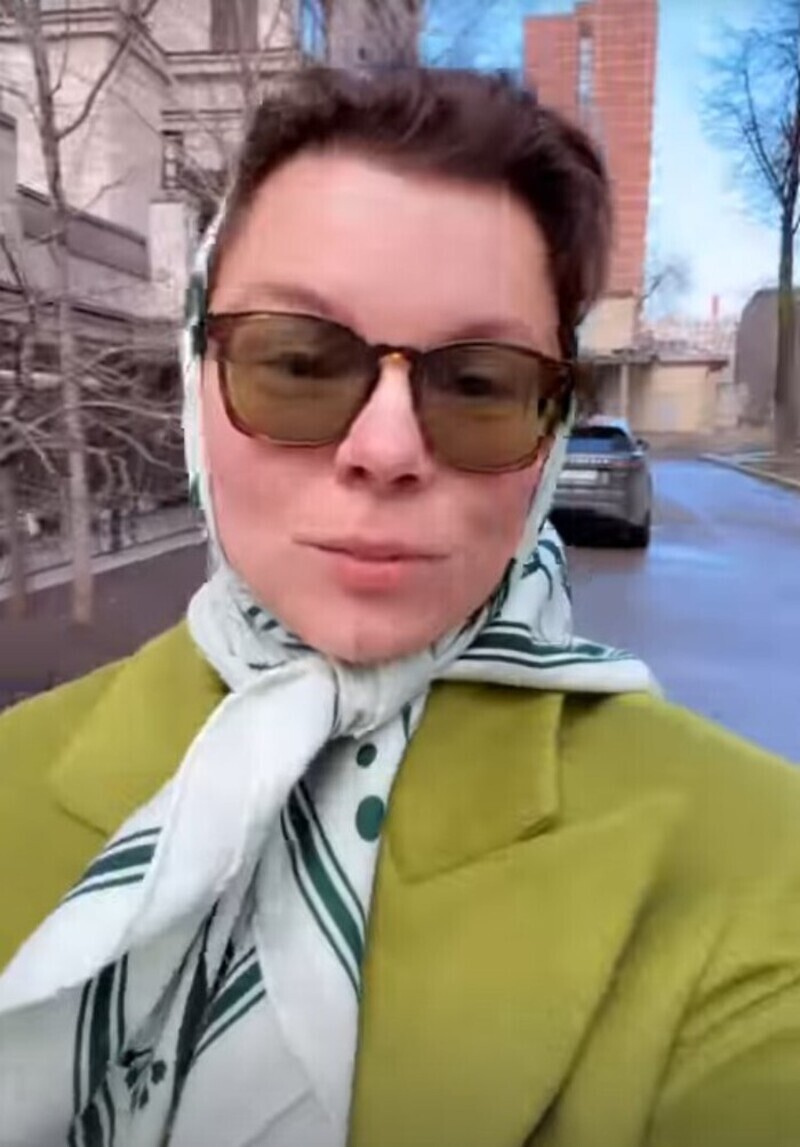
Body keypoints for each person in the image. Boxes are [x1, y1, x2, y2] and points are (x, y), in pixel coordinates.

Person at [1, 67, 799, 1147]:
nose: (385, 449)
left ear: (549, 434)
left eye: (476, 383)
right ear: (197, 385)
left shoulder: (757, 858)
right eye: (298, 361)